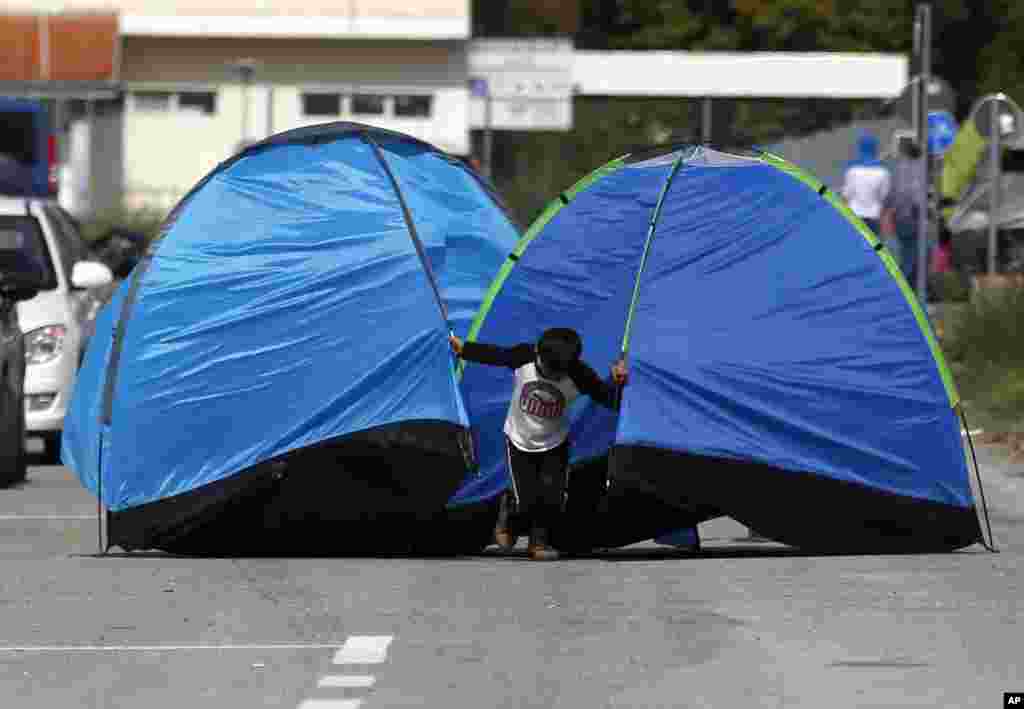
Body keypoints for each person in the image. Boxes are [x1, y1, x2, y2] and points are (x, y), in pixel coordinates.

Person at [449, 327, 628, 561]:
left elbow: (607, 398)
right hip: (518, 440)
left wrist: (616, 382)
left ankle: (538, 543)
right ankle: (509, 510)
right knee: (526, 500)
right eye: (547, 370)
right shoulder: (524, 356)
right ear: (538, 354)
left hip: (555, 443)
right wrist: (465, 349)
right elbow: (497, 355)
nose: (552, 376)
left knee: (552, 498)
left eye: (558, 374)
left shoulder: (580, 375)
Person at [881, 138, 925, 287]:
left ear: (904, 152)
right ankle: (909, 284)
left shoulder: (902, 169)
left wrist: (888, 208)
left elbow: (898, 193)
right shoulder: (919, 168)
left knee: (907, 251)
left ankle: (904, 284)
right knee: (911, 251)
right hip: (912, 215)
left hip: (905, 215)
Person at [841, 132, 891, 237]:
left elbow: (846, 195)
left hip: (855, 214)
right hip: (874, 216)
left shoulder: (852, 171)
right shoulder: (883, 172)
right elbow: (885, 197)